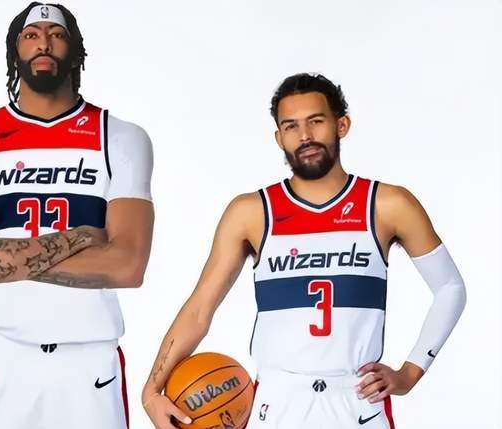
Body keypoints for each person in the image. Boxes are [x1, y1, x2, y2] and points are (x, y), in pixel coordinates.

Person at [141, 73, 466, 428]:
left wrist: (410, 373)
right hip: (278, 403)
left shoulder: (387, 205)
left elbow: (450, 288)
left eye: (316, 121)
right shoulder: (251, 212)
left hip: (357, 401)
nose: (305, 135)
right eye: (291, 126)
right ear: (279, 137)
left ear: (341, 125)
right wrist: (151, 391)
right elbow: (200, 309)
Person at [0, 3, 154, 428]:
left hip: (89, 365)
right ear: (14, 50)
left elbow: (128, 266)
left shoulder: (120, 138)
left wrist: (1, 259)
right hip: (1, 360)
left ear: (75, 51)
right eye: (31, 34)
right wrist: (80, 238)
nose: (44, 42)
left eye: (56, 35)